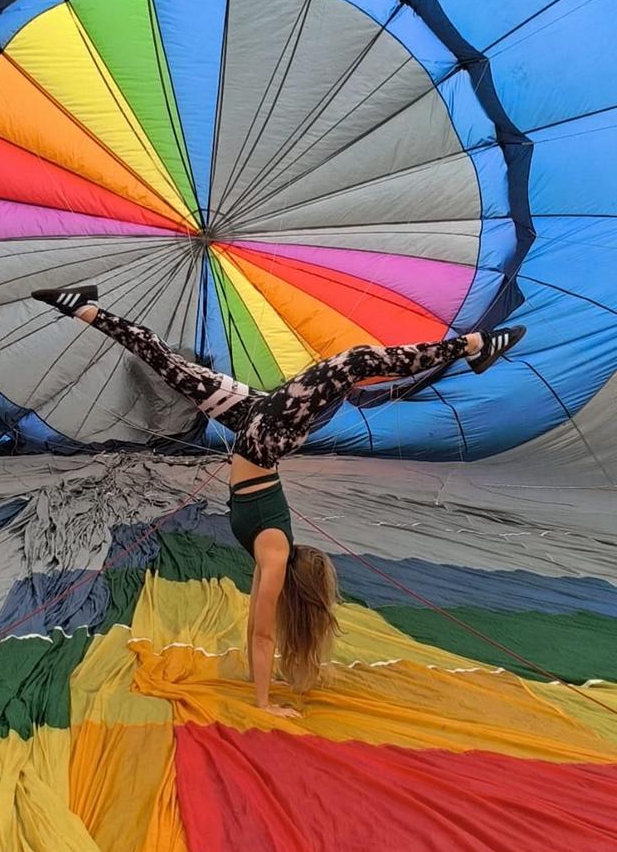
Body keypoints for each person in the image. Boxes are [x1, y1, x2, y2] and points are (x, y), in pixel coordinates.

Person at [32, 285, 525, 716]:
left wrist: (264, 702)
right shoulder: (271, 551)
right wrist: (261, 678)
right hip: (257, 425)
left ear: (302, 572)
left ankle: (473, 346)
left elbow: (262, 633)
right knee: (170, 366)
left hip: (264, 434)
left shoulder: (274, 551)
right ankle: (85, 308)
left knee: (355, 361)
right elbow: (260, 628)